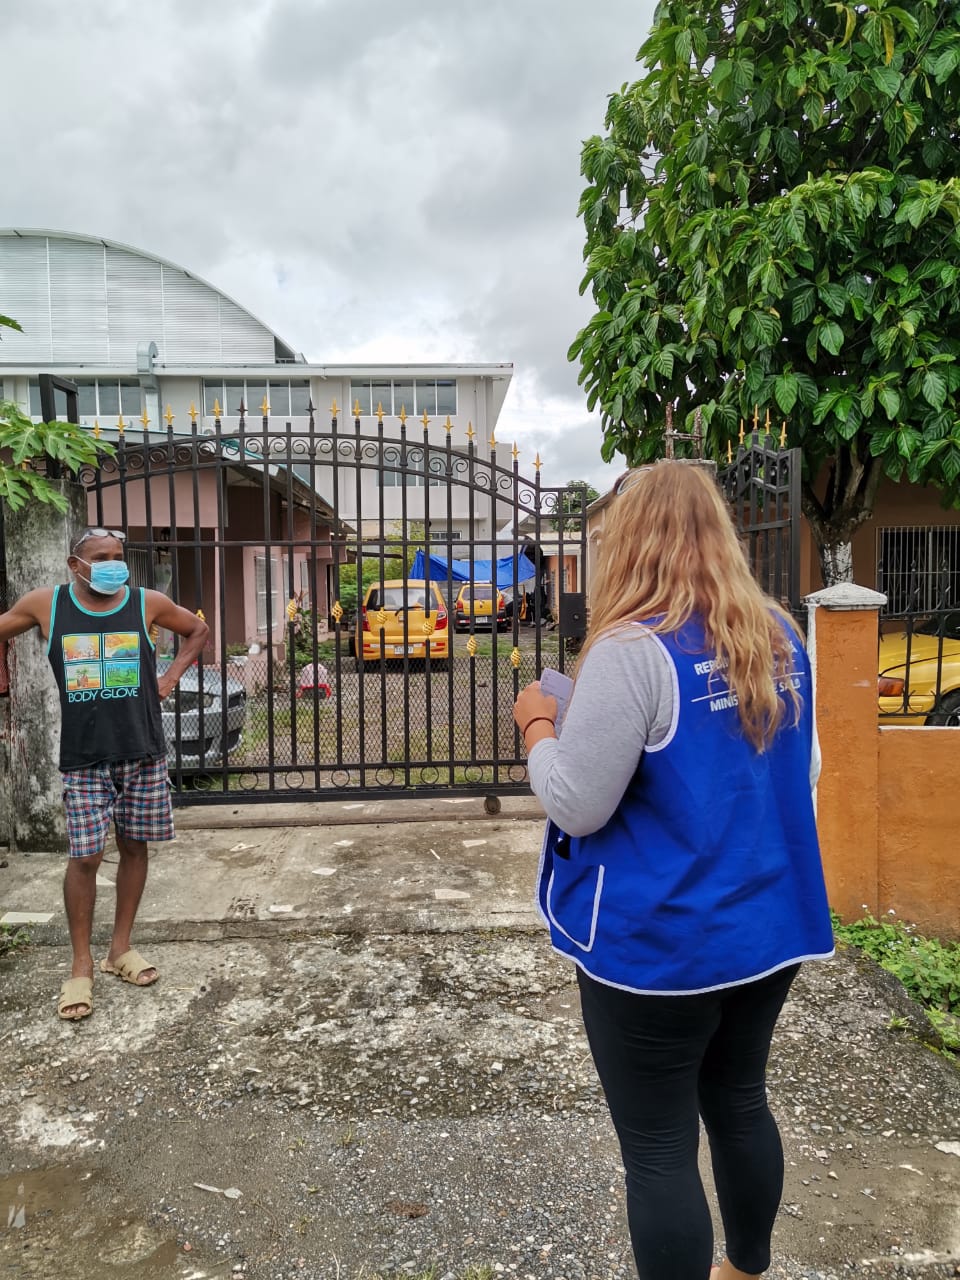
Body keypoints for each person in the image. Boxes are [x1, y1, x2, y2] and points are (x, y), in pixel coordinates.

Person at [513, 461, 834, 1280]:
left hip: (662, 950)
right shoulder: (779, 634)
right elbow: (806, 772)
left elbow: (577, 804)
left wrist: (539, 726)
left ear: (627, 541)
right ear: (720, 534)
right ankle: (746, 1269)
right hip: (769, 931)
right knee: (740, 1101)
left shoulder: (631, 649)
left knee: (658, 1148)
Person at [0, 527, 209, 1021]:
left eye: (119, 555)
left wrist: (169, 678)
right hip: (85, 755)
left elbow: (197, 630)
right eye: (101, 557)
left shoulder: (145, 601)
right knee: (86, 857)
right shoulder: (47, 604)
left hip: (142, 749)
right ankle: (81, 965)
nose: (114, 564)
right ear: (76, 565)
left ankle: (120, 949)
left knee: (135, 847)